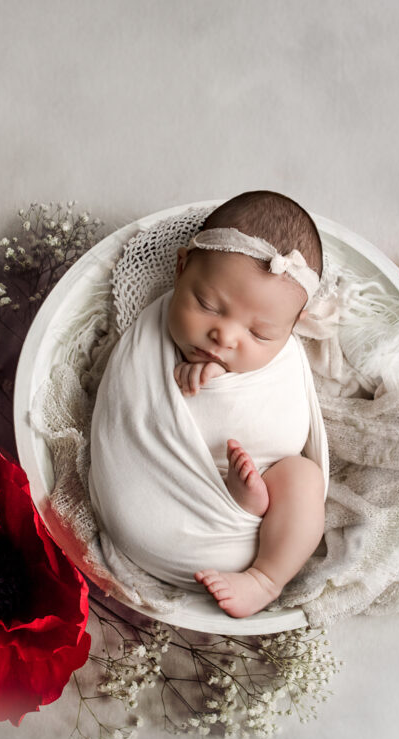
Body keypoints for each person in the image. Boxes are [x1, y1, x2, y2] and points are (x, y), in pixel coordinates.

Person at [88, 191, 327, 618]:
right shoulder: (151, 336)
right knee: (279, 477)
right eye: (208, 306)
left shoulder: (285, 359)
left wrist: (230, 379)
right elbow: (135, 407)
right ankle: (245, 500)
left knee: (303, 480)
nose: (225, 337)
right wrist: (188, 385)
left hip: (266, 482)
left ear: (294, 328)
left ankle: (265, 577)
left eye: (260, 334)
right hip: (158, 501)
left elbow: (287, 424)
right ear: (181, 269)